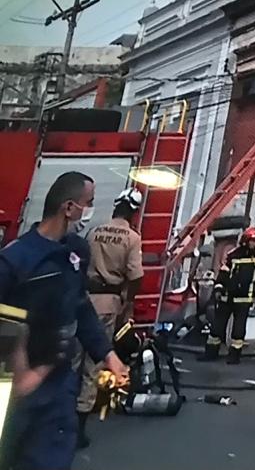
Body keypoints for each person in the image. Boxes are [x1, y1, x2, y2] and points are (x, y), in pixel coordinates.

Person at [0, 171, 128, 470]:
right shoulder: (15, 261)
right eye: (89, 202)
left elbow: (80, 307)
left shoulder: (76, 253)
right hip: (14, 388)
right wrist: (22, 375)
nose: (91, 210)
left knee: (52, 458)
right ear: (69, 208)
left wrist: (109, 355)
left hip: (58, 384)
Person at [74, 188, 144, 448]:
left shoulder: (94, 231)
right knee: (93, 364)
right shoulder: (132, 238)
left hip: (82, 299)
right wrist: (128, 302)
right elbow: (136, 276)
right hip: (108, 302)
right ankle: (79, 426)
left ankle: (58, 415)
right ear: (134, 213)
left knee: (72, 358)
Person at [200, 227, 255, 364]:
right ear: (245, 241)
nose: (254, 244)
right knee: (217, 327)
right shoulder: (233, 255)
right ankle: (211, 352)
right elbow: (223, 273)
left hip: (244, 298)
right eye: (252, 241)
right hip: (227, 296)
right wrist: (218, 289)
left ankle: (234, 356)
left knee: (239, 330)